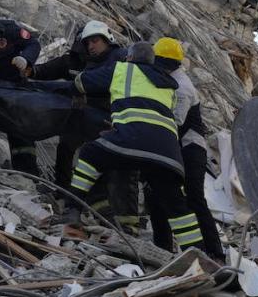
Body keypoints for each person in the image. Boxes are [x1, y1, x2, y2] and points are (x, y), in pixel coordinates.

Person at [48, 41, 204, 253]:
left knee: (90, 153)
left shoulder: (120, 68)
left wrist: (66, 86)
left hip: (132, 138)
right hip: (168, 153)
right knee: (177, 206)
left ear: (129, 58)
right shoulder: (169, 84)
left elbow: (83, 82)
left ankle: (72, 211)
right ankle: (196, 252)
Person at [33, 20, 127, 192]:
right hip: (89, 117)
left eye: (95, 41)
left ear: (107, 39)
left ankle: (91, 202)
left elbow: (98, 83)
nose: (90, 46)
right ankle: (63, 192)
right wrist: (32, 75)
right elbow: (53, 71)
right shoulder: (90, 62)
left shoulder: (120, 57)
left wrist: (78, 88)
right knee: (66, 145)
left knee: (98, 160)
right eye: (87, 43)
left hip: (111, 119)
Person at [152, 37, 223, 258]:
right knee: (157, 196)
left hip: (190, 148)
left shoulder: (182, 87)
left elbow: (175, 124)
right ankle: (161, 249)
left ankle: (215, 253)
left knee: (194, 198)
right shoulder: (168, 79)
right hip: (177, 146)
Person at [0, 15, 42, 174]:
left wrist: (25, 58)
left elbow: (33, 43)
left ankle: (27, 174)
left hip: (14, 85)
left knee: (20, 129)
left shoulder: (9, 29)